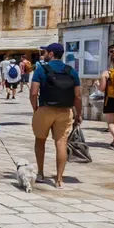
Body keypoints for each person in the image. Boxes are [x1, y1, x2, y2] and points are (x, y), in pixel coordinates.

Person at [30, 43, 82, 189]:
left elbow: (34, 92)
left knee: (40, 140)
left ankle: (40, 173)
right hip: (65, 110)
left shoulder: (41, 69)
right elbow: (77, 96)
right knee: (61, 143)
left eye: (45, 51)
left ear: (51, 54)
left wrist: (35, 109)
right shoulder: (71, 71)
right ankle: (59, 180)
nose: (43, 54)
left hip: (45, 108)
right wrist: (79, 114)